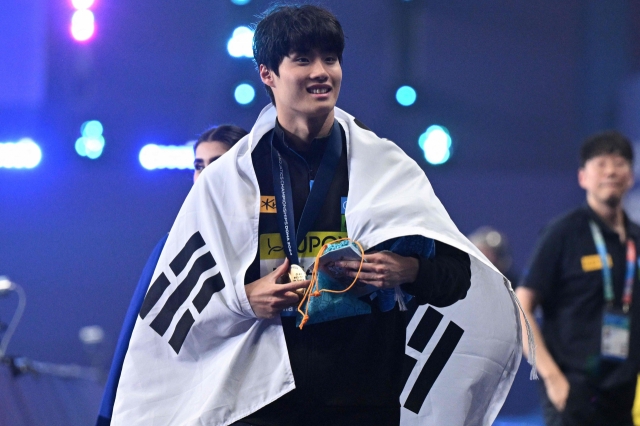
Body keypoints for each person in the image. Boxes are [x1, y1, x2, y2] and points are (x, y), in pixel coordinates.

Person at [112, 5, 522, 426]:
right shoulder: (229, 180)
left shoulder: (386, 166)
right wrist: (244, 298)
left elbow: (458, 277)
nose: (322, 72)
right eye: (303, 59)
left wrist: (408, 268)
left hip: (361, 398)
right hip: (261, 398)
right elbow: (178, 305)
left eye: (331, 58)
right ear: (267, 73)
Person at [96, 124, 248, 426]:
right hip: (186, 397)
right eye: (198, 166)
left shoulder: (270, 238)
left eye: (216, 163)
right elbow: (146, 336)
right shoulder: (174, 245)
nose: (204, 174)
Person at [516, 130, 639, 426]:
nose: (611, 171)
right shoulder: (564, 233)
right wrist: (551, 377)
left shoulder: (636, 238)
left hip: (623, 393)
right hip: (572, 389)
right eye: (601, 163)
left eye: (619, 163)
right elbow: (521, 307)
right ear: (583, 177)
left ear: (631, 176)